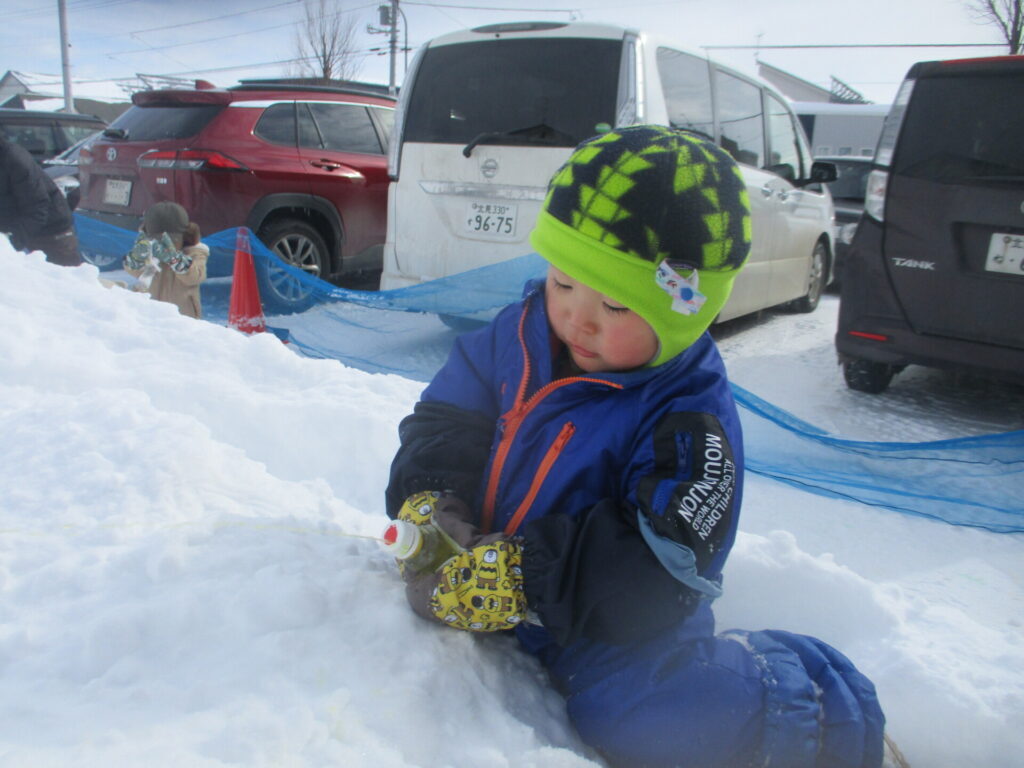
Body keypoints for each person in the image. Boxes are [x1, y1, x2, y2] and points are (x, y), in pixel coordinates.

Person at [385, 126, 890, 768]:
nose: (576, 318)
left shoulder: (688, 416)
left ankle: (801, 699)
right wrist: (432, 498)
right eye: (563, 282)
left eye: (616, 305)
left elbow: (664, 555)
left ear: (684, 312)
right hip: (487, 571)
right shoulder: (517, 336)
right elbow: (446, 416)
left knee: (641, 717)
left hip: (613, 623)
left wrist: (523, 577)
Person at [0, 134, 81, 266]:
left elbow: (37, 206)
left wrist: (10, 242)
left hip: (51, 233)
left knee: (63, 282)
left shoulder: (12, 158)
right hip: (17, 229)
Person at [124, 201, 208, 319]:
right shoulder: (149, 248)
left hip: (182, 317)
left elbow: (195, 277)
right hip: (146, 312)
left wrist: (176, 260)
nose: (162, 242)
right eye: (156, 238)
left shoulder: (195, 252)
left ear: (185, 235)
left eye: (173, 238)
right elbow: (138, 273)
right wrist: (136, 260)